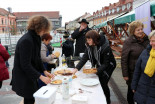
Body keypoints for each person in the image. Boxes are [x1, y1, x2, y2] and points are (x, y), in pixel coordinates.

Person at [11, 16, 54, 104]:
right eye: (44, 29)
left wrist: (44, 71)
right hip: (24, 76)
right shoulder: (26, 40)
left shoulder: (36, 38)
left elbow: (37, 57)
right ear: (40, 27)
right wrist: (41, 77)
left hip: (31, 75)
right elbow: (25, 65)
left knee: (33, 97)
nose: (45, 31)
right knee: (29, 98)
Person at [72, 30, 116, 104]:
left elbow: (106, 64)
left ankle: (107, 101)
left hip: (109, 65)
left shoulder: (105, 47)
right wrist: (76, 68)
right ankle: (98, 98)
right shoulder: (89, 45)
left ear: (94, 39)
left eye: (89, 40)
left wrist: (96, 70)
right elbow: (85, 58)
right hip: (100, 63)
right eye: (87, 40)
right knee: (99, 80)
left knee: (103, 83)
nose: (87, 41)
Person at [121, 21, 149, 104]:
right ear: (133, 31)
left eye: (141, 29)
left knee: (143, 92)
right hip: (132, 73)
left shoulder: (147, 40)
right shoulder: (128, 42)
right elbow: (124, 59)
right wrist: (125, 74)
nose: (141, 31)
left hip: (145, 71)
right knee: (131, 93)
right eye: (138, 30)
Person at [131, 30, 155, 104]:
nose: (151, 43)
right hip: (141, 90)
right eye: (150, 41)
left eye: (153, 41)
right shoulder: (146, 52)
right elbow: (137, 70)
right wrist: (134, 86)